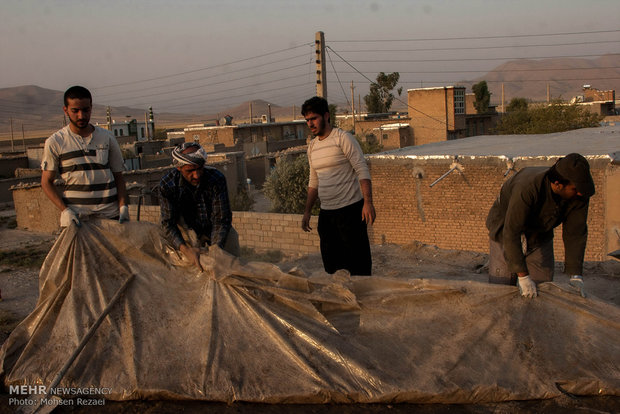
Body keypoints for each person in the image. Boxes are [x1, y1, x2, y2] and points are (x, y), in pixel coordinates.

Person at [486, 153, 595, 298]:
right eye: (575, 189)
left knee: (542, 289)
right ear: (558, 184)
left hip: (540, 232)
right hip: (505, 229)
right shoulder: (527, 188)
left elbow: (575, 233)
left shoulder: (579, 196)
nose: (580, 193)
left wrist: (575, 275)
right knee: (502, 288)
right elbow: (511, 232)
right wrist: (523, 276)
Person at [301, 96, 376, 276]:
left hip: (350, 211)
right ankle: (341, 301)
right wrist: (307, 211)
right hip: (327, 215)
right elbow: (314, 181)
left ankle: (361, 300)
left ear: (326, 116)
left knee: (358, 266)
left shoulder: (343, 138)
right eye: (307, 120)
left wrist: (368, 202)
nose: (310, 124)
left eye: (313, 118)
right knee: (332, 266)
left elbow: (361, 169)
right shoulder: (312, 148)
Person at [41, 86, 129, 227]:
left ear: (91, 108)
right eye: (75, 111)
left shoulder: (107, 138)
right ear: (66, 110)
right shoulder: (55, 142)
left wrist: (123, 206)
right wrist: (65, 211)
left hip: (110, 217)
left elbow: (119, 176)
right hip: (77, 220)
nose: (81, 116)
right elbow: (46, 182)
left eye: (86, 110)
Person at [158, 142, 240, 270]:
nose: (196, 175)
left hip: (217, 231)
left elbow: (221, 219)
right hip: (186, 233)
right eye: (190, 170)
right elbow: (168, 223)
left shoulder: (216, 179)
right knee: (187, 271)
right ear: (179, 168)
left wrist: (215, 250)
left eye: (200, 168)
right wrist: (185, 250)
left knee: (230, 267)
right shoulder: (167, 185)